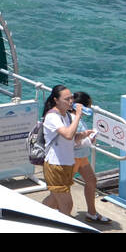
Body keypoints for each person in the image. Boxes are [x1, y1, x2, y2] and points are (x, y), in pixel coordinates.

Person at [41, 85, 92, 217]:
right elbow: (68, 134)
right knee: (66, 205)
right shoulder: (52, 117)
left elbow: (72, 139)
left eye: (71, 98)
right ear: (56, 100)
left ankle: (33, 217)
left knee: (53, 201)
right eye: (66, 99)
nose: (71, 102)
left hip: (67, 164)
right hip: (55, 165)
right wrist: (78, 116)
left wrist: (84, 135)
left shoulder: (67, 116)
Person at [71, 91, 112, 224]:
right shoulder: (73, 119)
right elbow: (73, 142)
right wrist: (90, 139)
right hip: (72, 158)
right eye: (89, 105)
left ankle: (92, 213)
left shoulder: (78, 118)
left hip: (81, 157)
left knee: (91, 181)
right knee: (62, 189)